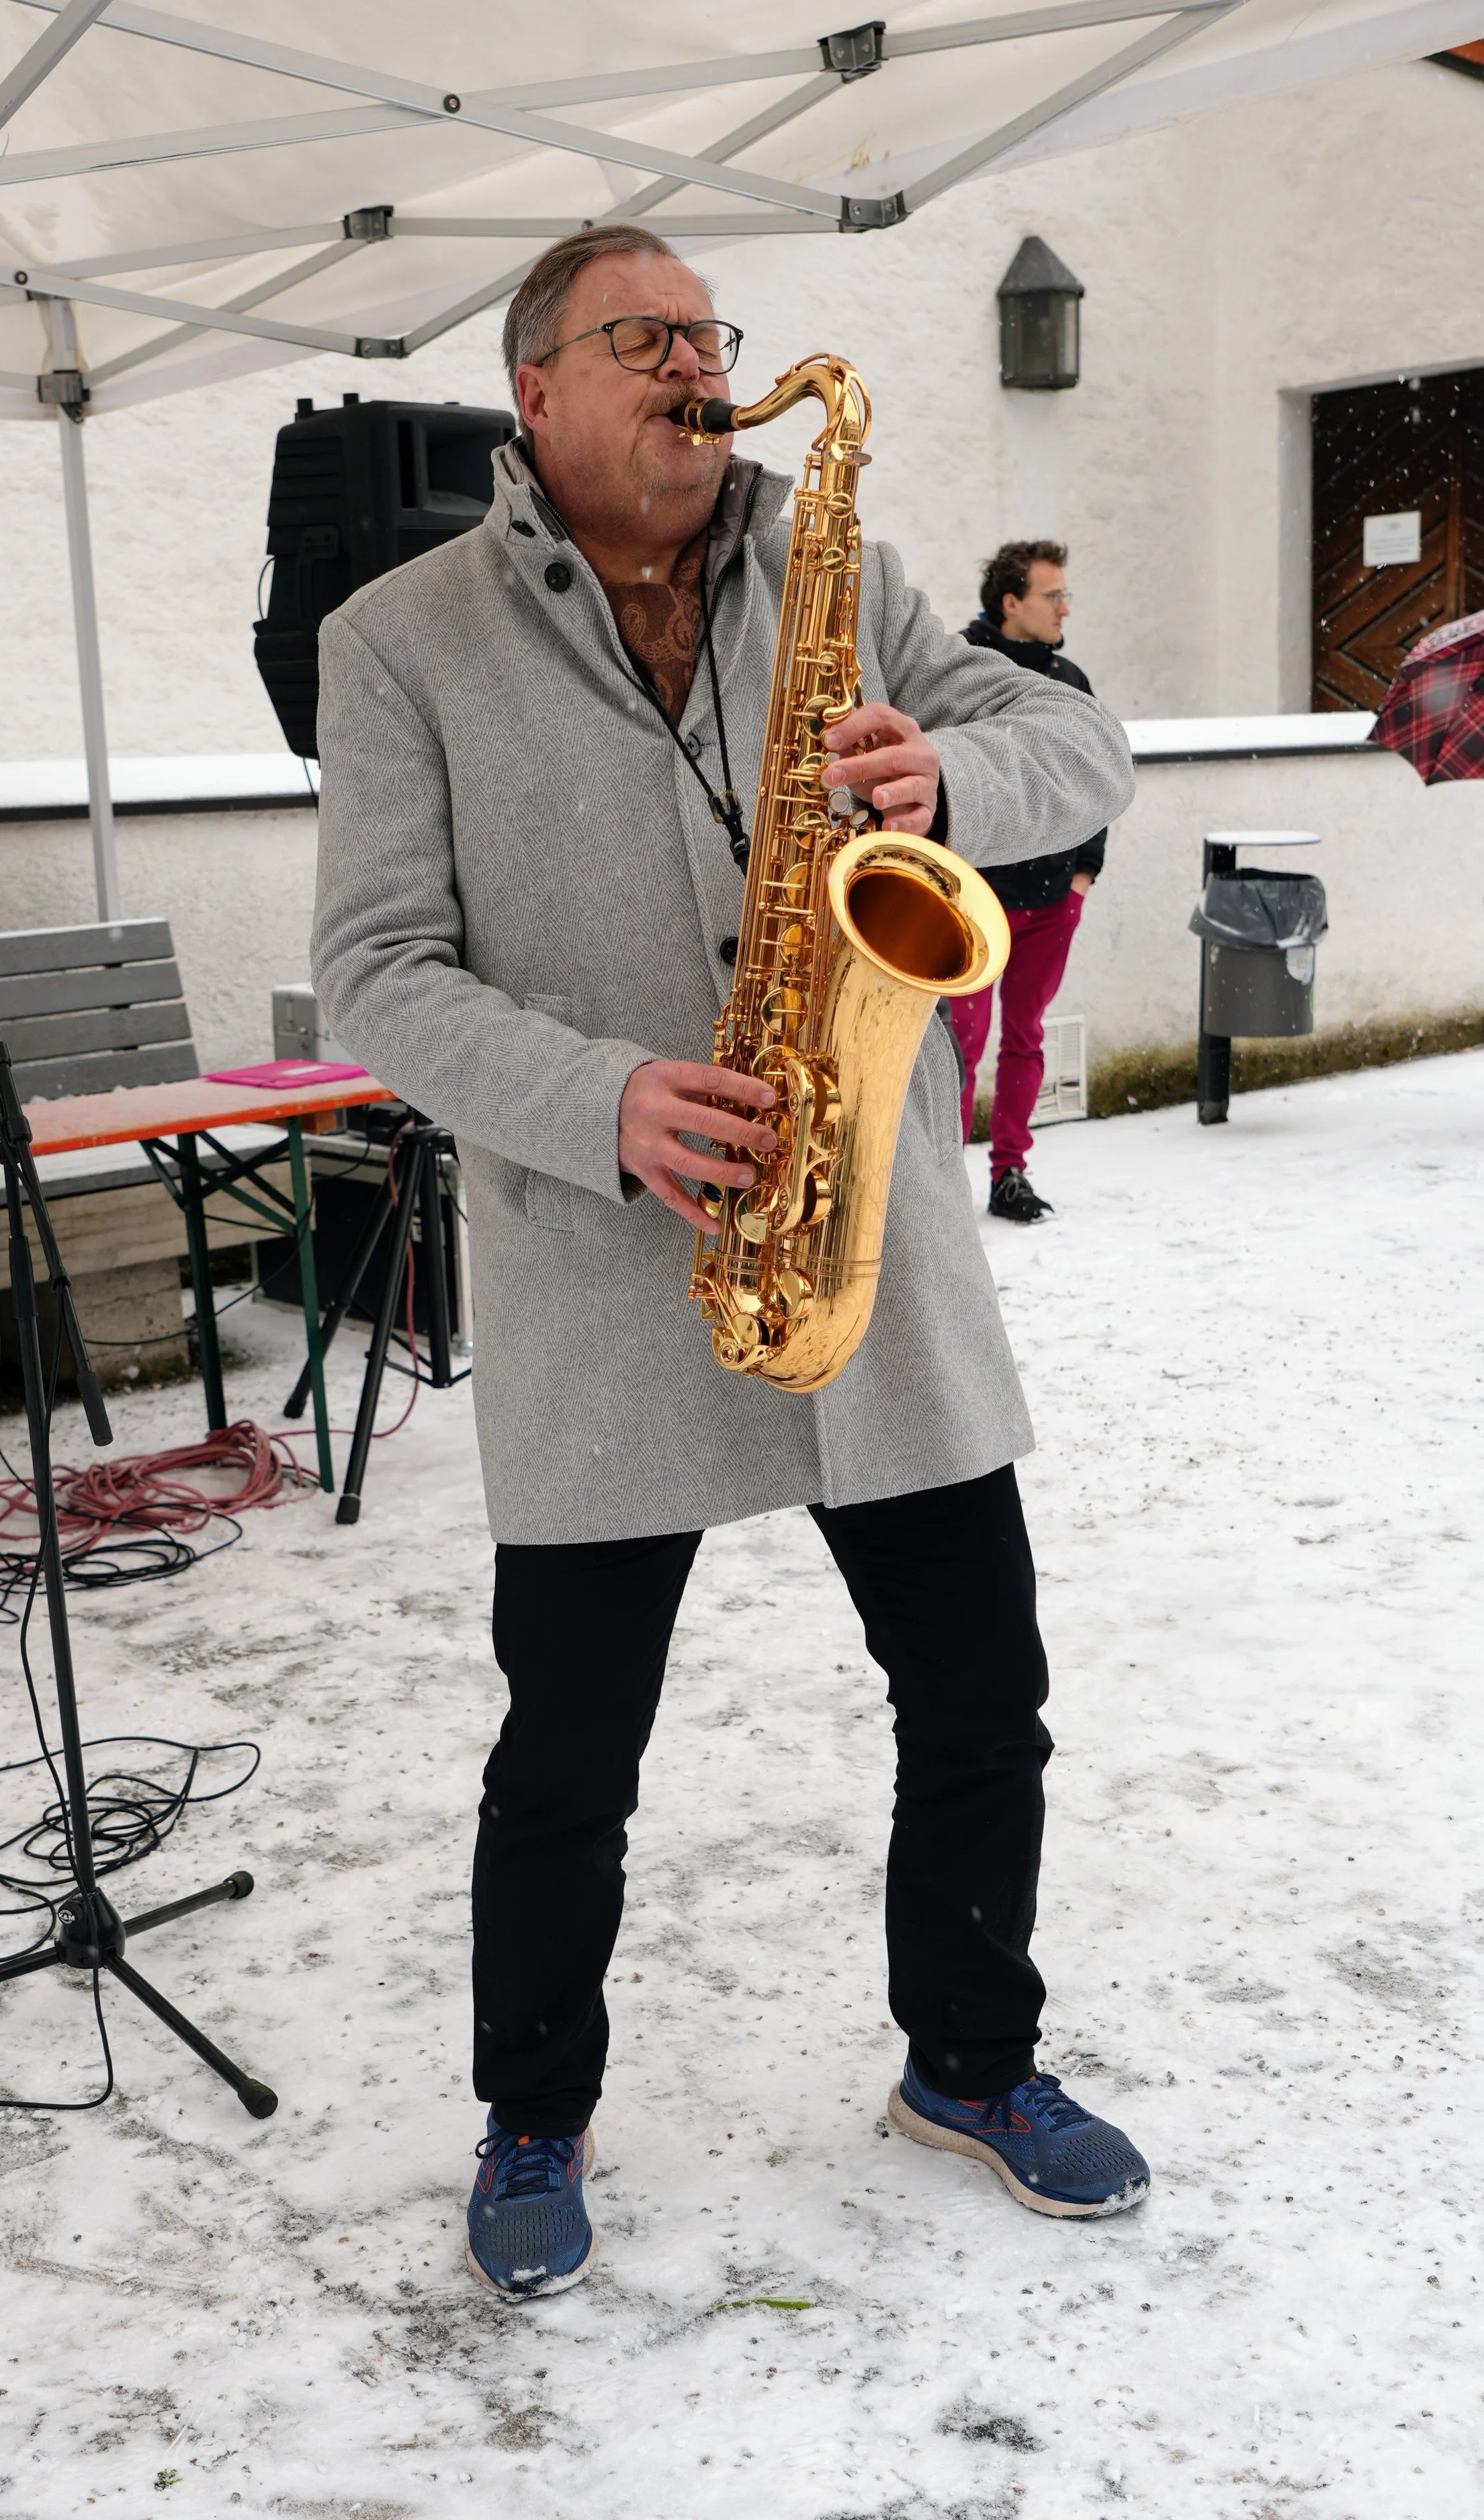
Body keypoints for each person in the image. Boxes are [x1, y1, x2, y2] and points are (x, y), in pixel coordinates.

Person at [312, 226, 1145, 2305]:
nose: (696, 363)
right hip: (609, 1260)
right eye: (645, 336)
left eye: (710, 331)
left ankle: (969, 2058)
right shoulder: (397, 638)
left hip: (869, 1235)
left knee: (982, 1695)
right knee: (568, 1752)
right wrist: (598, 1097)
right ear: (535, 390)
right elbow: (378, 969)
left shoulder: (836, 569)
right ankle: (532, 2103)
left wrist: (952, 770)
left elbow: (1080, 751)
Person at [951, 541, 1107, 1224]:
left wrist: (1081, 878)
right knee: (956, 1048)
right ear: (1011, 602)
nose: (1064, 608)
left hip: (1050, 901)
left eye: (1066, 595)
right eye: (1053, 596)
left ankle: (1009, 1172)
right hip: (970, 904)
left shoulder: (1068, 680)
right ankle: (946, 1185)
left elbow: (1098, 779)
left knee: (1025, 1038)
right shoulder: (960, 670)